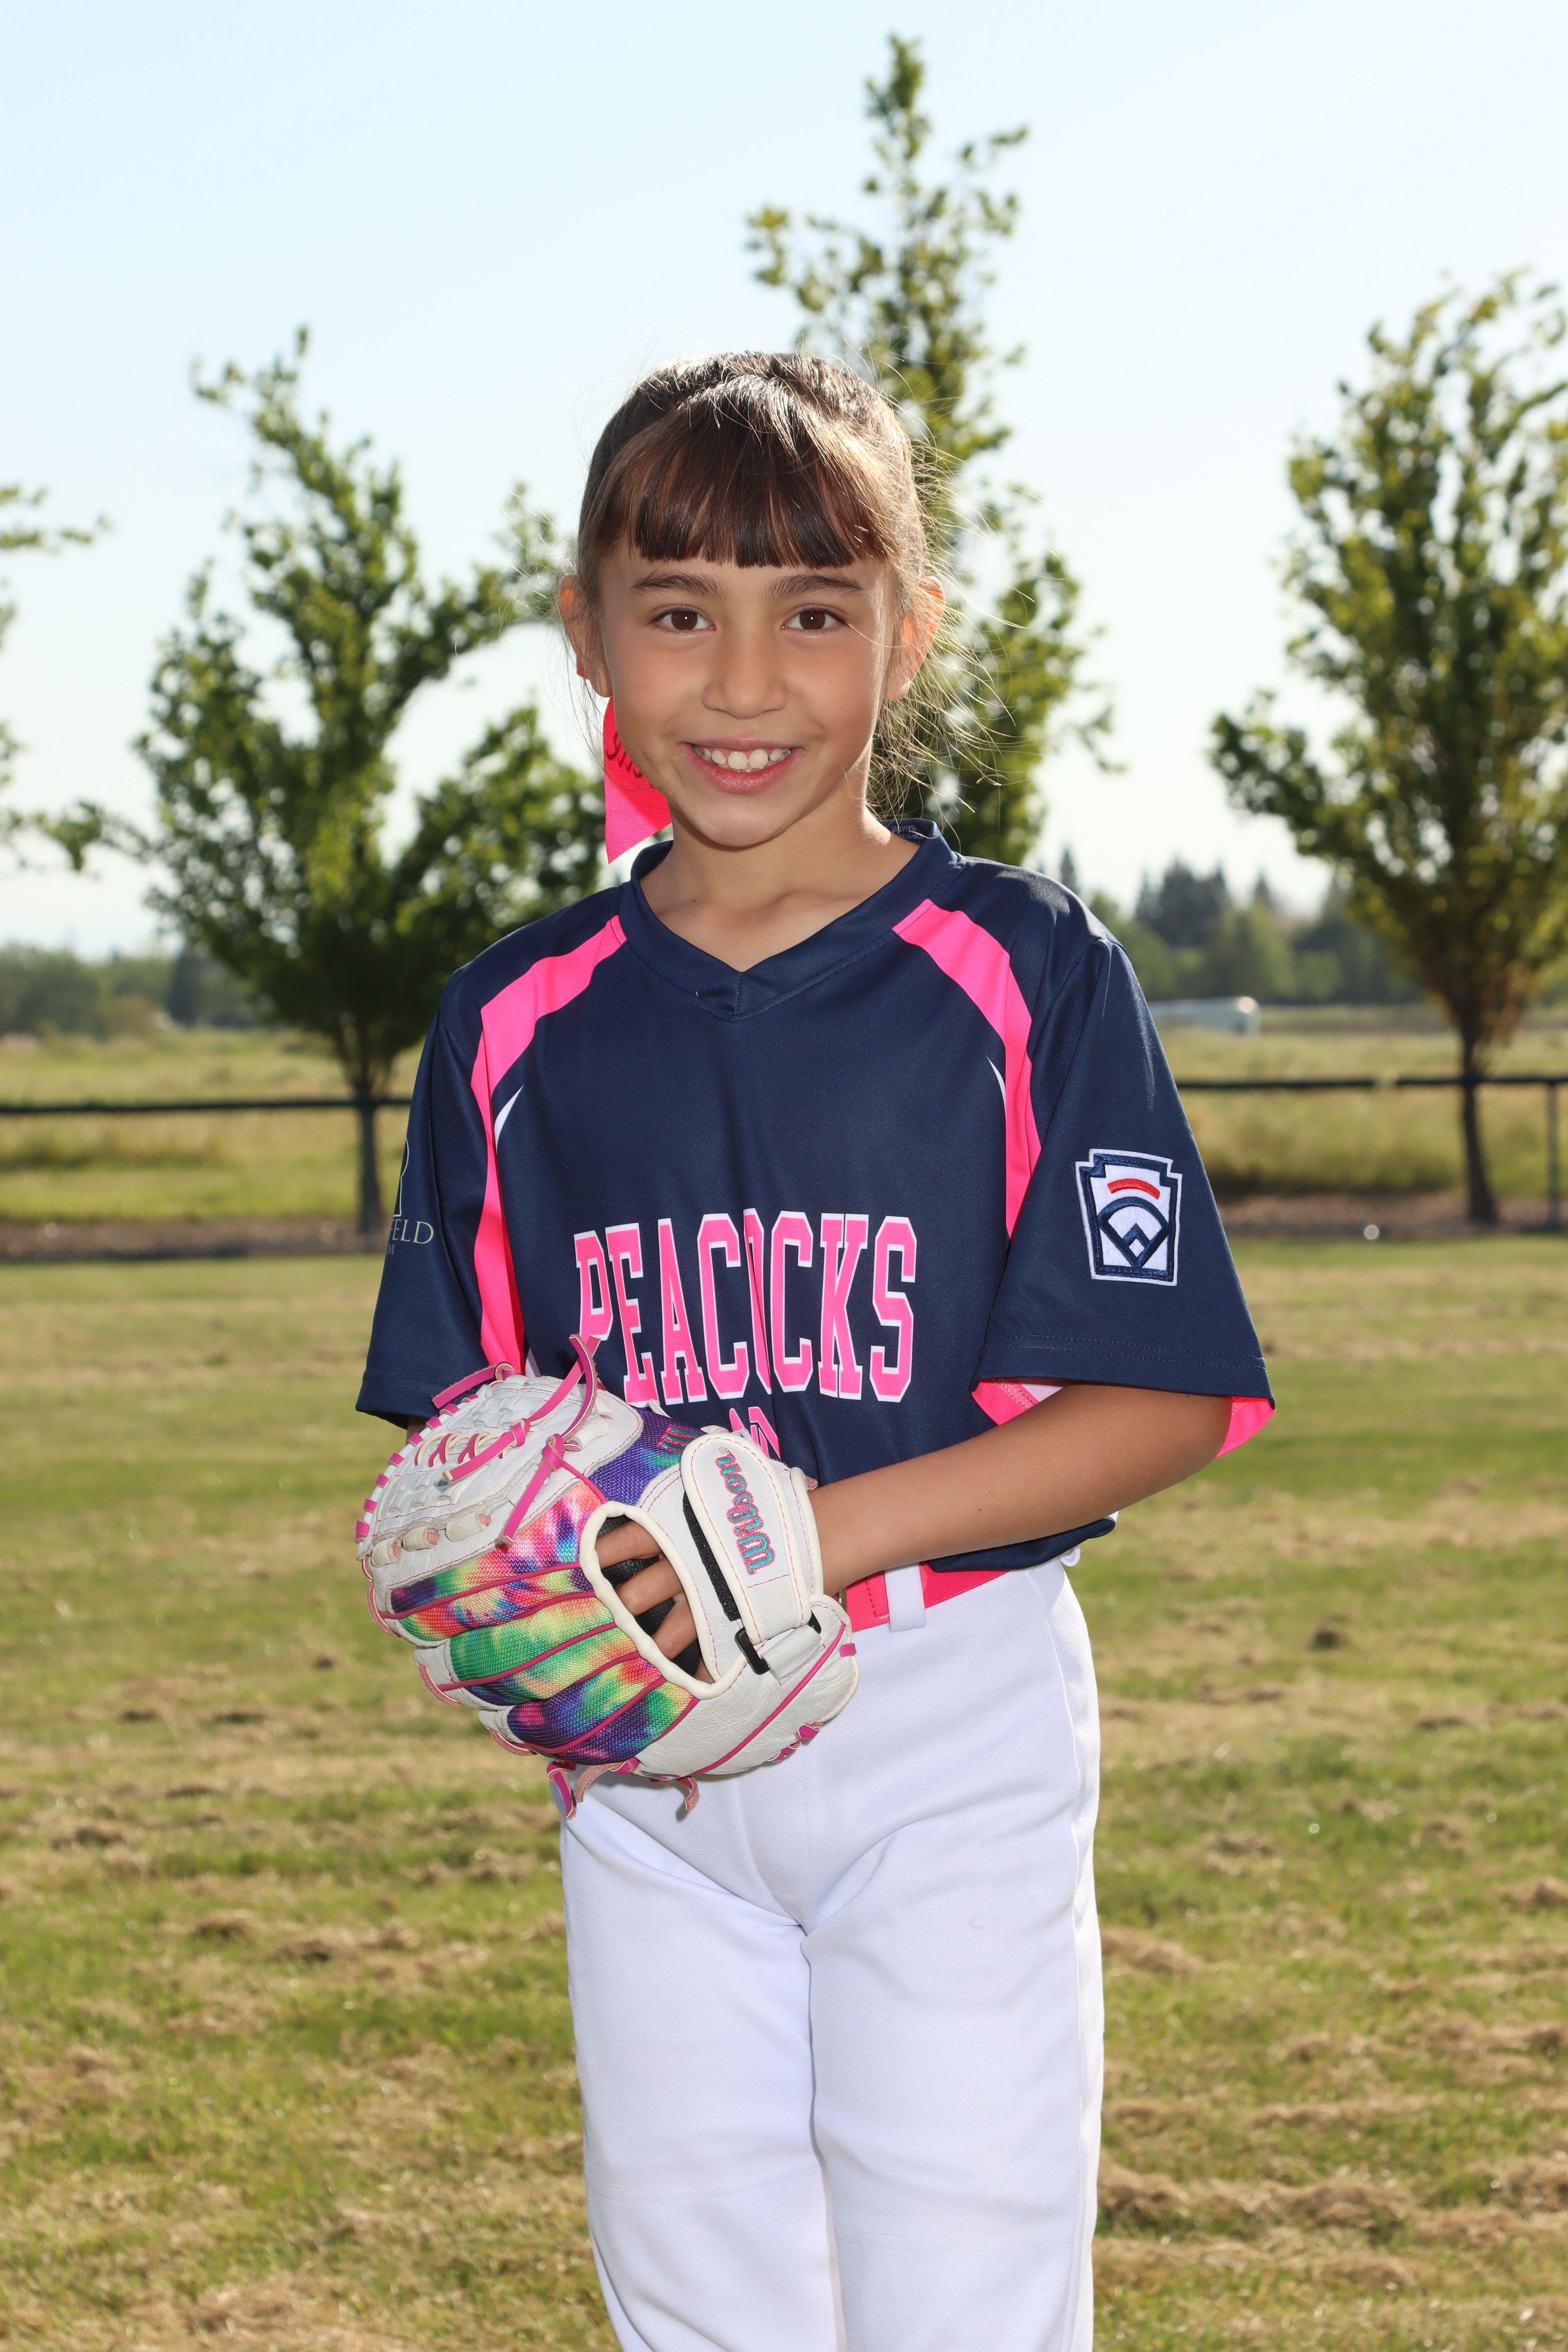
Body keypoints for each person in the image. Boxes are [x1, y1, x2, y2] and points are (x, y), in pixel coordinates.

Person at [357, 351, 1273, 2352]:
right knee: (700, 2287)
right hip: (650, 1752)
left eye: (815, 611)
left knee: (961, 2274)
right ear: (588, 632)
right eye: (679, 611)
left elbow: (1164, 1394)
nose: (746, 680)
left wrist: (796, 1539)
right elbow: (474, 1431)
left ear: (906, 632)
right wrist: (537, 1640)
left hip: (943, 1703)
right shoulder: (512, 1020)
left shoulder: (1024, 971)